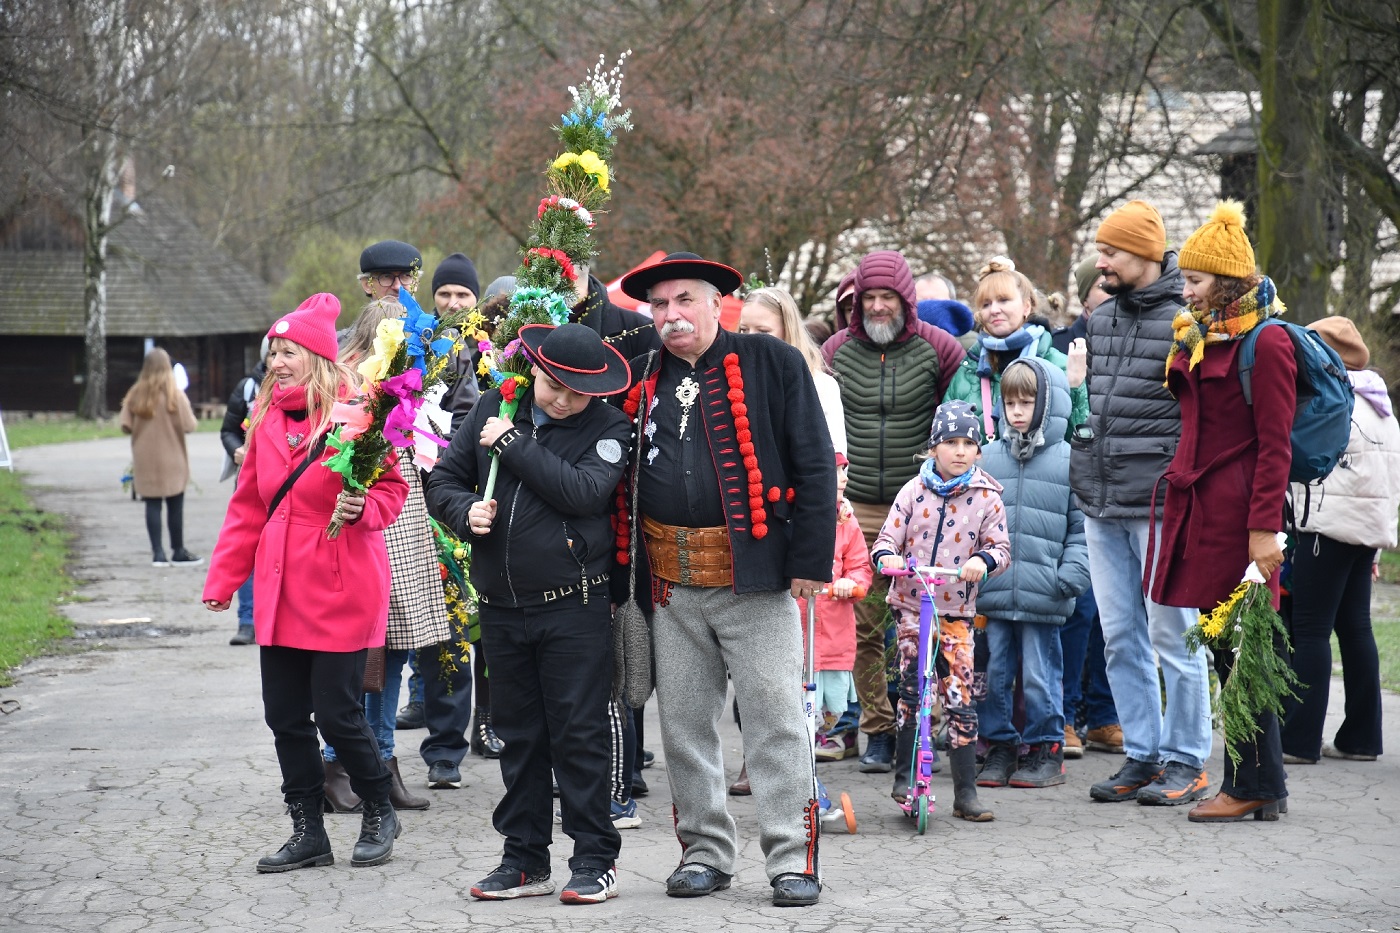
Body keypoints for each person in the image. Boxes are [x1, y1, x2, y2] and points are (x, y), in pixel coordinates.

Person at [615, 251, 836, 907]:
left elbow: (815, 466)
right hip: (671, 582)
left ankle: (790, 860)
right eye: (659, 305)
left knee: (774, 723)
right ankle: (706, 854)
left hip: (759, 581)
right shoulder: (642, 376)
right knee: (683, 725)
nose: (671, 315)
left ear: (719, 304)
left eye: (685, 299)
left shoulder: (775, 364)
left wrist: (808, 562)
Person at [202, 293, 410, 871]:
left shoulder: (358, 413)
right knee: (284, 715)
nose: (278, 362)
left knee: (338, 711)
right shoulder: (266, 419)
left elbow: (393, 490)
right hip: (279, 588)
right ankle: (308, 831)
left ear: (317, 357)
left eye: (290, 352)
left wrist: (360, 503)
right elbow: (247, 508)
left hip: (341, 581)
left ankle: (377, 807)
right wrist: (224, 579)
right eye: (275, 351)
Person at [425, 322, 631, 905]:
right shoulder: (498, 402)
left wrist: (512, 443)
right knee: (518, 737)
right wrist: (465, 513)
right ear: (534, 369)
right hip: (500, 607)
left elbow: (583, 493)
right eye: (552, 385)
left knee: (579, 735)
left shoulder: (610, 427)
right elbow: (442, 479)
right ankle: (523, 859)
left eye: (576, 391)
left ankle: (593, 857)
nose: (563, 400)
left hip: (575, 606)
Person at [1147, 201, 1294, 821]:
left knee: (1242, 648)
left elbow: (1275, 445)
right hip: (1200, 511)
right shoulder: (1201, 333)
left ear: (1228, 282)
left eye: (1196, 280)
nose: (1185, 289)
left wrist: (1265, 529)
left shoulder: (1270, 341)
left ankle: (1249, 785)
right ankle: (1263, 785)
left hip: (1240, 521)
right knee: (1228, 647)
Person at [1072, 200, 1213, 808]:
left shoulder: (1189, 318)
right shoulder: (1100, 321)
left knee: (1173, 634)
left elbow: (1202, 418)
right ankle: (1143, 754)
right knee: (1120, 636)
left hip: (1159, 502)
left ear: (1146, 255)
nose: (1100, 262)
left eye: (1111, 252)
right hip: (1099, 501)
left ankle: (1187, 759)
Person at [821, 249, 966, 776]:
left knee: (924, 623)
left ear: (906, 300)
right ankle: (877, 730)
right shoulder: (835, 351)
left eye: (888, 297)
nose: (878, 307)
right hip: (852, 505)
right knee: (860, 624)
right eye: (869, 298)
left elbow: (963, 424)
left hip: (920, 507)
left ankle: (926, 725)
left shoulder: (941, 349)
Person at [315, 298, 460, 815]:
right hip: (377, 532)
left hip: (404, 525)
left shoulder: (406, 387)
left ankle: (378, 760)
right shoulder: (355, 392)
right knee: (363, 661)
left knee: (391, 658)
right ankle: (340, 764)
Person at [870, 400, 1009, 821]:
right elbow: (885, 540)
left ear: (979, 451)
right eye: (951, 442)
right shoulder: (913, 491)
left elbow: (1000, 549)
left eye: (969, 442)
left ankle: (965, 792)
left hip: (957, 610)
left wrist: (981, 562)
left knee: (959, 694)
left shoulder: (987, 498)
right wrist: (887, 558)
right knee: (913, 688)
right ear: (934, 447)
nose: (960, 450)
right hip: (912, 604)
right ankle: (904, 775)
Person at [1281, 315, 1398, 765]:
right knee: (1356, 627)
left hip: (1324, 526)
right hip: (1366, 529)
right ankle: (1361, 738)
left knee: (1310, 630)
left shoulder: (1328, 399)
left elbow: (1303, 460)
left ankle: (1298, 741)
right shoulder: (1379, 403)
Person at [973, 358, 1089, 789]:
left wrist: (1070, 576)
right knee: (995, 674)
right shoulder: (988, 459)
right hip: (995, 589)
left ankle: (1046, 748)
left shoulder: (1068, 460)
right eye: (1010, 402)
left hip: (1046, 591)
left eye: (1027, 401)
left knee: (1041, 675)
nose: (1017, 411)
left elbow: (1082, 528)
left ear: (1050, 404)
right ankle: (999, 745)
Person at [1051, 256, 1120, 758]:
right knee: (1079, 606)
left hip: (1123, 484)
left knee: (1116, 612)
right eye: (1102, 289)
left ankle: (1106, 715)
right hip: (1072, 487)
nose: (1110, 297)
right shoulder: (1058, 348)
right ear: (1083, 299)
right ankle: (1068, 712)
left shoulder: (1136, 335)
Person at [943, 256, 1088, 442]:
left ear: (1027, 306)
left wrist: (1075, 386)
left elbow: (1077, 442)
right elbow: (948, 440)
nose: (994, 310)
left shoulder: (1057, 364)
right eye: (986, 304)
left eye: (1003, 300)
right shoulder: (969, 368)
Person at [801, 453, 873, 762]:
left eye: (846, 470)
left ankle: (811, 785)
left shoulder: (847, 521)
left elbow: (860, 566)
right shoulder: (796, 516)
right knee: (793, 711)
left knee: (824, 716)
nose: (845, 478)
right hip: (796, 632)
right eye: (837, 471)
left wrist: (850, 583)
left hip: (831, 634)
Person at [119, 347, 201, 568]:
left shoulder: (136, 394)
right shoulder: (176, 394)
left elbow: (125, 425)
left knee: (152, 505)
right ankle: (178, 550)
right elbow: (190, 425)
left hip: (145, 460)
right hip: (173, 459)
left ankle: (158, 553)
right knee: (176, 505)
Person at [738, 286, 845, 454]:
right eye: (744, 329)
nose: (750, 338)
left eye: (763, 331)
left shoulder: (820, 385)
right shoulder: (732, 382)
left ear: (787, 330)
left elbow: (835, 454)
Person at [219, 340, 268, 646]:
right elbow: (228, 429)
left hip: (286, 487)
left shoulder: (308, 386)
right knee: (248, 549)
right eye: (274, 352)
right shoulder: (248, 387)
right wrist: (236, 449)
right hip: (251, 481)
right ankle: (246, 621)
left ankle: (271, 619)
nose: (279, 359)